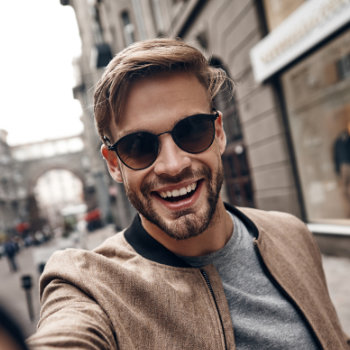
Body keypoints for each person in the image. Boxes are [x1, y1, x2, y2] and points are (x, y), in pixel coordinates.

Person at [28, 38, 349, 349]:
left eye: (193, 131)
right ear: (114, 164)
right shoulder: (92, 287)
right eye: (138, 146)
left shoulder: (291, 233)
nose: (172, 165)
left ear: (219, 133)